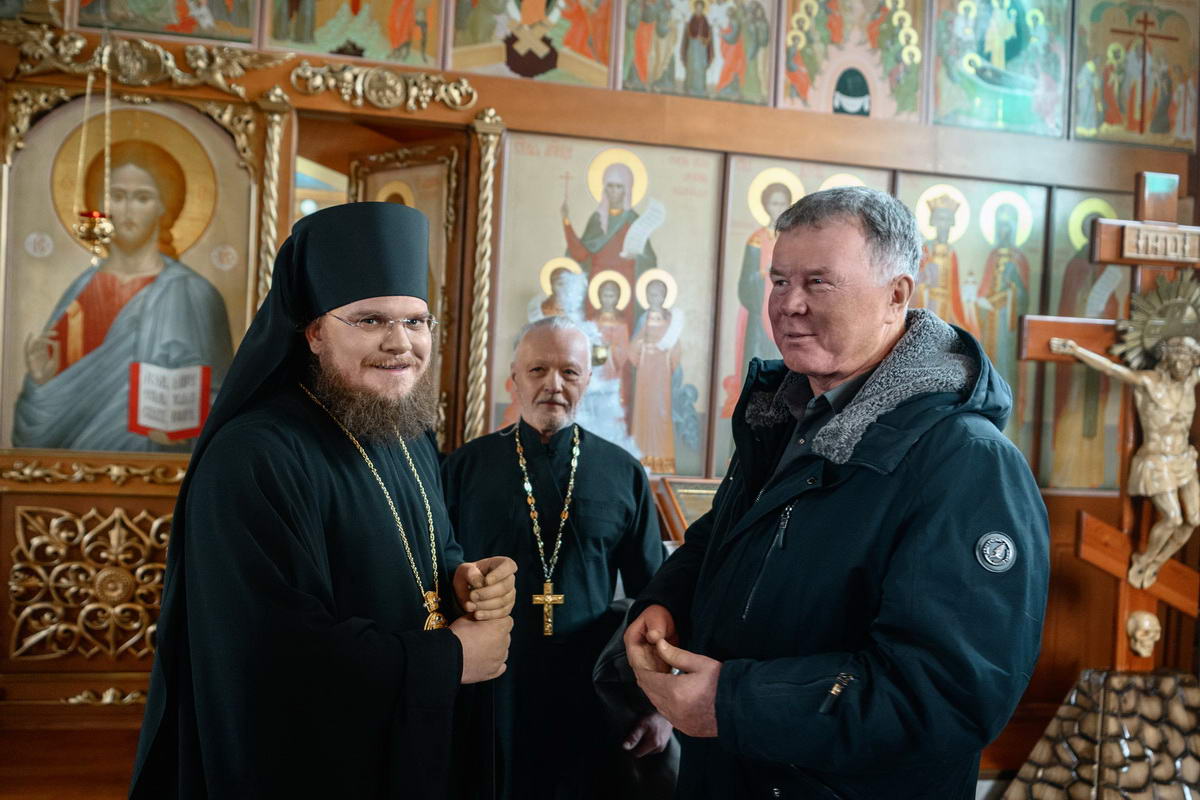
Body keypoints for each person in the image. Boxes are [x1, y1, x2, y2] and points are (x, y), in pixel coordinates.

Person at [623, 186, 1049, 799]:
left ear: (896, 295)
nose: (788, 304)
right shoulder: (784, 416)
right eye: (779, 281)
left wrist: (732, 702)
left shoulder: (969, 463)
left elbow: (945, 694)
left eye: (818, 282)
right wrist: (665, 603)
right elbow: (721, 541)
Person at [129, 203, 517, 799]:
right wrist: (450, 659)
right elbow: (274, 650)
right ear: (313, 332)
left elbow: (427, 552)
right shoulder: (254, 456)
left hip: (412, 748)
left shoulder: (407, 433)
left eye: (416, 321)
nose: (400, 344)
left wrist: (461, 578)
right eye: (370, 320)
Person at [442, 315, 670, 800]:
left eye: (569, 371)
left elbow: (654, 598)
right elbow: (437, 578)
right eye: (538, 370)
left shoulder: (623, 473)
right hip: (488, 687)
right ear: (514, 378)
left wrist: (658, 706)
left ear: (589, 379)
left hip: (591, 689)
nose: (553, 384)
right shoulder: (464, 467)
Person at [14, 140, 233, 451]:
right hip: (76, 468)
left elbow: (222, 397)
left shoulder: (195, 293)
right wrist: (40, 383)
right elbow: (39, 430)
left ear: (164, 206)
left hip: (161, 469)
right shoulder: (82, 290)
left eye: (142, 197)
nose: (128, 209)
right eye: (116, 196)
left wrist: (183, 430)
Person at [1051, 335, 1200, 589]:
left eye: (1189, 361)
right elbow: (1112, 369)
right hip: (1157, 460)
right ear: (1167, 360)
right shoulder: (1148, 382)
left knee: (1194, 519)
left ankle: (1157, 562)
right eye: (1178, 360)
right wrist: (1076, 350)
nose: (1183, 366)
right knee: (1173, 518)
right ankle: (1144, 559)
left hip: (1184, 458)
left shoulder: (1190, 383)